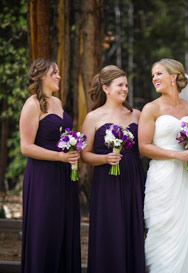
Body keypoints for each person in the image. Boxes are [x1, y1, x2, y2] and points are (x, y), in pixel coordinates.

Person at [139, 58, 188, 272]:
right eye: (153, 75)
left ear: (174, 76)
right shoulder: (151, 108)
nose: (154, 78)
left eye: (159, 73)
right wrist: (178, 155)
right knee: (164, 227)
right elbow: (143, 147)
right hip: (163, 176)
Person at [81, 65, 145, 272]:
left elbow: (144, 147)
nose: (125, 89)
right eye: (120, 85)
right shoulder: (93, 117)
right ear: (106, 88)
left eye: (126, 85)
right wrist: (105, 158)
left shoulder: (137, 115)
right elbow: (85, 154)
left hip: (134, 178)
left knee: (133, 227)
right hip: (107, 181)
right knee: (110, 229)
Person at [19, 59, 81, 272]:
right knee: (45, 230)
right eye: (54, 73)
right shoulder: (32, 104)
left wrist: (73, 150)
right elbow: (26, 147)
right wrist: (60, 157)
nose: (59, 76)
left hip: (64, 176)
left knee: (63, 229)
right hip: (43, 177)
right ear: (41, 76)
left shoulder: (57, 102)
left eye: (58, 72)